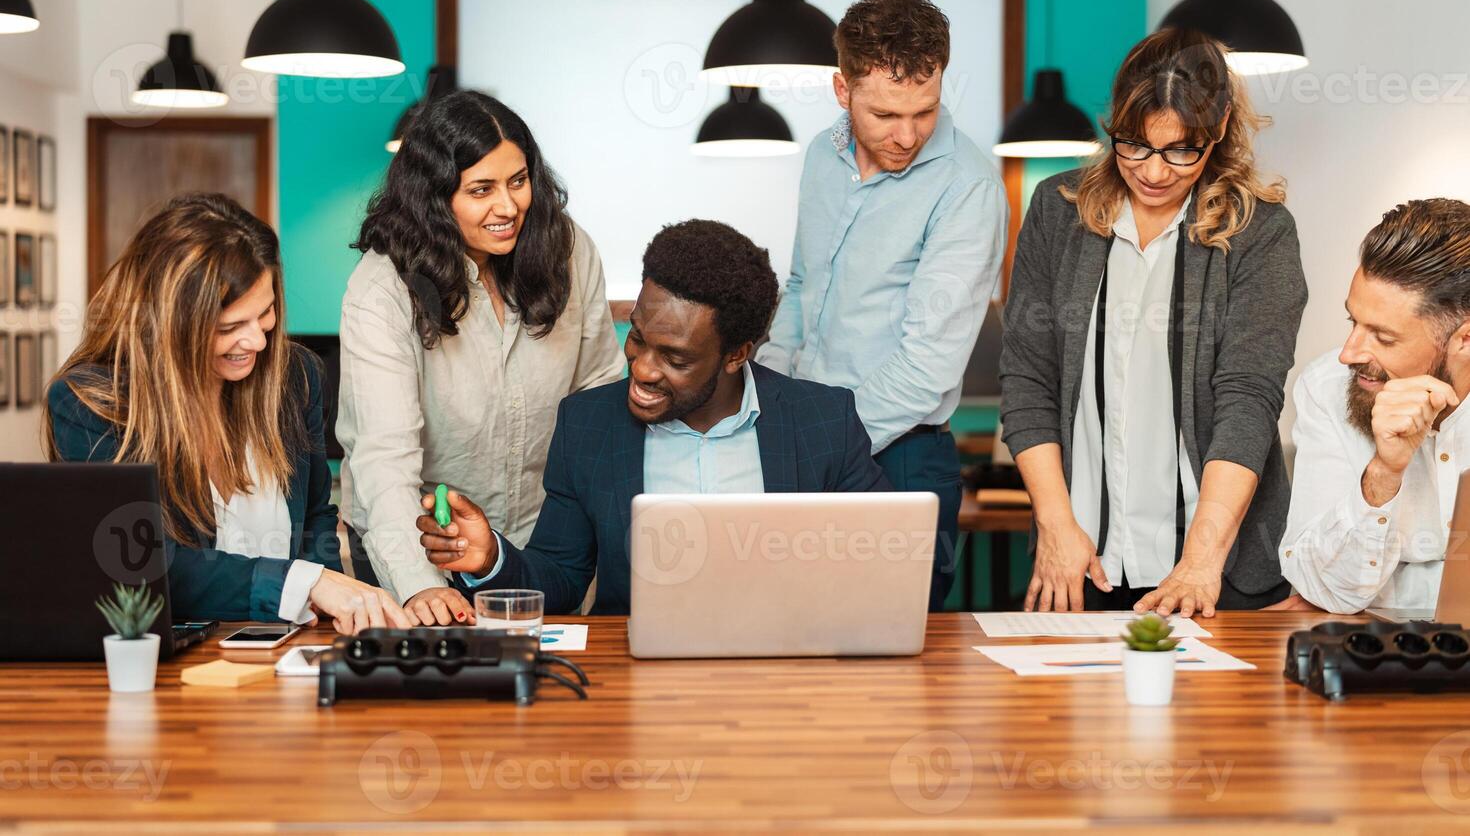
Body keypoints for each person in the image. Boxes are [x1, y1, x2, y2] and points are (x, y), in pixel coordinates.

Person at [414, 220, 891, 614]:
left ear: (736, 354)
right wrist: (490, 559)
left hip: (791, 675)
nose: (641, 369)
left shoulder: (823, 421)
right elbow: (560, 578)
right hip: (635, 684)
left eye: (675, 359)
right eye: (638, 337)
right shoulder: (588, 425)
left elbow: (880, 567)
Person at [1000, 27, 1308, 617]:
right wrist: (1056, 524)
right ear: (1115, 123)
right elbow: (1027, 378)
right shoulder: (1056, 212)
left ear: (1217, 132)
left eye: (1181, 150)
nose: (1155, 171)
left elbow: (1248, 399)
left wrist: (1200, 562)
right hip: (1081, 563)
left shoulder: (1259, 233)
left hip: (1214, 571)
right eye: (1135, 145)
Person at [46, 194, 411, 632]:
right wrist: (303, 583)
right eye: (230, 327)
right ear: (170, 325)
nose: (258, 341)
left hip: (286, 652)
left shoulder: (298, 378)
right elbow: (137, 563)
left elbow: (316, 513)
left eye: (266, 312)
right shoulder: (92, 403)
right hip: (167, 667)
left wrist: (322, 602)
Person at [757, 0, 1009, 610]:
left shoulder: (967, 188)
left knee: (892, 676)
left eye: (925, 111)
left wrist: (811, 447)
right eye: (886, 114)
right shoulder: (822, 154)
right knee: (786, 642)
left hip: (898, 458)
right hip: (804, 441)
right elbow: (801, 287)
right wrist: (760, 404)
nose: (907, 135)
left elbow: (926, 371)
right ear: (843, 90)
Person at [338, 91, 625, 625]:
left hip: (546, 557)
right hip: (423, 555)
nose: (509, 206)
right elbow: (383, 457)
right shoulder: (382, 288)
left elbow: (599, 401)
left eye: (518, 181)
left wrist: (594, 542)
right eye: (481, 190)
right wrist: (419, 587)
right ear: (434, 197)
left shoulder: (568, 250)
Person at [1281, 199, 1470, 614]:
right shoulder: (1326, 388)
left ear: (1465, 340)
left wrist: (1406, 584)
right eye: (1353, 323)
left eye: (1383, 338)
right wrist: (1384, 473)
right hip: (1371, 651)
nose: (1349, 354)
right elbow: (1323, 587)